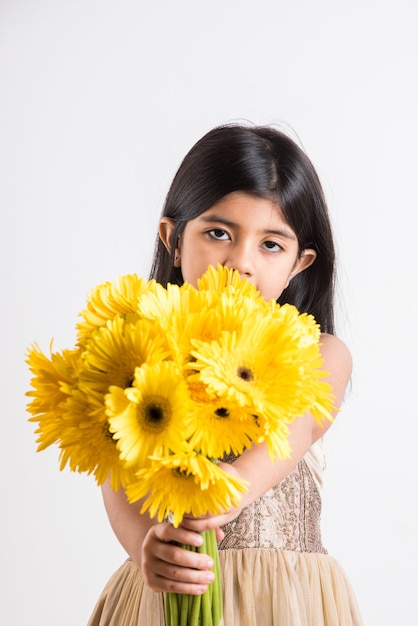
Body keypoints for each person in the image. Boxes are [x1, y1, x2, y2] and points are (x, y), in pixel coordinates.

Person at [87, 124, 363, 625]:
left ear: (300, 264)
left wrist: (230, 486)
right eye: (218, 234)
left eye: (271, 245)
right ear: (173, 239)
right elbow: (116, 477)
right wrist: (144, 549)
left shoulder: (321, 353)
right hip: (165, 593)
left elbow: (297, 424)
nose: (241, 263)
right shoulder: (134, 352)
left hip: (283, 603)